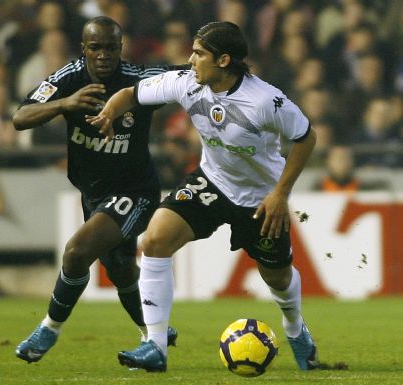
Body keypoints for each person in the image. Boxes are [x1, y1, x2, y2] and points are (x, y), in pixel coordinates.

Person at [88, 21, 318, 372]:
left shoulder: (265, 101)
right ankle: (155, 345)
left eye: (199, 54)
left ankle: (294, 328)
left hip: (259, 199)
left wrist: (280, 194)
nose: (190, 60)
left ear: (223, 60)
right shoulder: (185, 82)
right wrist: (109, 112)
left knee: (278, 279)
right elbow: (132, 94)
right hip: (212, 182)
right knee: (154, 239)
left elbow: (305, 138)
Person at [13, 16, 181, 363]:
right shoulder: (68, 78)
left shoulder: (138, 80)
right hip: (94, 193)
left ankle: (49, 328)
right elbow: (20, 117)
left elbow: (185, 76)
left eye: (110, 48)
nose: (103, 55)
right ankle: (155, 335)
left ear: (120, 48)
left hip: (135, 191)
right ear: (84, 49)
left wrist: (225, 66)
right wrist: (65, 104)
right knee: (120, 270)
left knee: (77, 252)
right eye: (95, 48)